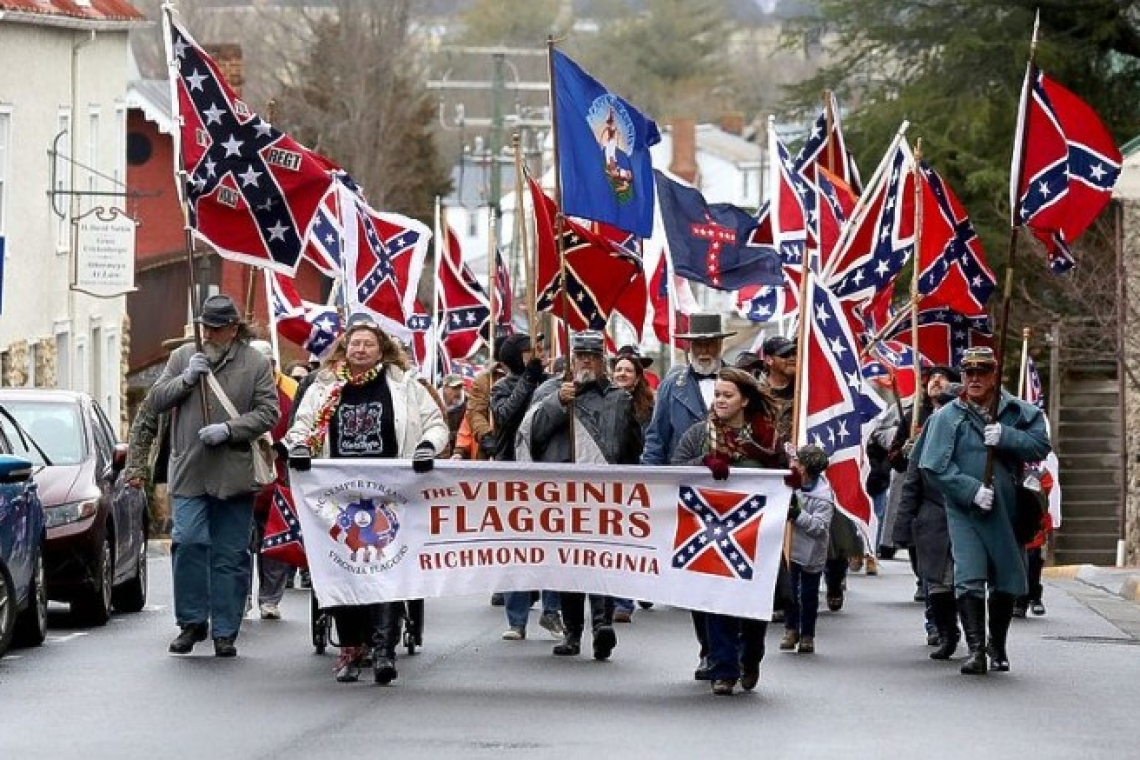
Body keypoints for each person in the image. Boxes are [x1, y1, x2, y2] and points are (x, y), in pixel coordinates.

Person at [285, 312, 448, 684]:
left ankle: (383, 652)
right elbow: (302, 427)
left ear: (381, 350)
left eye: (368, 344)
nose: (360, 349)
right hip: (337, 494)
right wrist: (298, 446)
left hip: (389, 493)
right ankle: (350, 646)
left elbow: (436, 424)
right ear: (344, 348)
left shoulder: (405, 385)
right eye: (354, 343)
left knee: (384, 569)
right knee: (343, 569)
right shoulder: (323, 386)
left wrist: (426, 447)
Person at [148, 294, 279, 658]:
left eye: (216, 327)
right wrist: (187, 379)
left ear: (233, 329)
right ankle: (191, 622)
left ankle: (225, 630)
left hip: (234, 474)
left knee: (230, 555)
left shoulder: (254, 363)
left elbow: (269, 412)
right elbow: (157, 399)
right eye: (205, 326)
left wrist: (230, 429)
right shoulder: (182, 357)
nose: (209, 332)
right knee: (187, 541)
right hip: (190, 472)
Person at [918, 347, 1051, 676]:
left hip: (1006, 509)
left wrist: (1008, 437)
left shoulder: (1017, 411)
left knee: (1006, 577)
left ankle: (998, 645)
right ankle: (976, 649)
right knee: (969, 576)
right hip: (965, 510)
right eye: (968, 372)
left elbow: (1040, 444)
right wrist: (969, 489)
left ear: (995, 374)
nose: (975, 378)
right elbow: (932, 466)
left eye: (982, 371)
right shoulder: (946, 416)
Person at [521, 330, 643, 660]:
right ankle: (573, 633)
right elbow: (531, 435)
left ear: (603, 360)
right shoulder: (550, 391)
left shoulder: (618, 397)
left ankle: (603, 625)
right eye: (581, 356)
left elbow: (633, 447)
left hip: (602, 492)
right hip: (560, 493)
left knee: (600, 558)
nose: (586, 361)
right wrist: (559, 403)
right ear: (572, 358)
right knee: (569, 564)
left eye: (593, 356)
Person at [672, 367, 787, 696]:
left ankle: (750, 657)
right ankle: (723, 668)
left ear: (745, 400)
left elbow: (784, 475)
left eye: (727, 395)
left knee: (752, 603)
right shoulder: (699, 434)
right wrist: (703, 464)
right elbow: (674, 468)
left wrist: (792, 480)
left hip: (756, 532)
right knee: (715, 597)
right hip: (711, 531)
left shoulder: (770, 438)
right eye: (717, 395)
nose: (720, 401)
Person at [642, 313, 735, 680]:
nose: (706, 350)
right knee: (698, 575)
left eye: (712, 343)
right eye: (700, 344)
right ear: (688, 346)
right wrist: (650, 481)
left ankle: (736, 648)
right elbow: (656, 438)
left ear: (721, 345)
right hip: (689, 493)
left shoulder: (740, 380)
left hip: (735, 493)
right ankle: (709, 650)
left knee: (732, 575)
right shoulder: (671, 386)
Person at [489, 333, 564, 641]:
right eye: (531, 353)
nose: (540, 356)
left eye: (541, 352)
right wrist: (527, 380)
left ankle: (552, 611)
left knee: (553, 546)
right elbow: (505, 417)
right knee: (517, 548)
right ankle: (516, 619)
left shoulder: (550, 385)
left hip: (546, 473)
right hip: (513, 472)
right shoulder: (502, 387)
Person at [894, 380, 964, 660]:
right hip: (933, 520)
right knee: (936, 584)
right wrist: (902, 525)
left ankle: (978, 640)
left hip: (967, 516)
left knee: (967, 583)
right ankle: (946, 632)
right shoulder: (929, 433)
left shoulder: (976, 433)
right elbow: (911, 482)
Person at [246, 340, 297, 621]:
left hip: (277, 479)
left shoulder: (288, 393)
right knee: (241, 545)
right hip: (244, 480)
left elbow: (300, 427)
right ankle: (241, 597)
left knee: (274, 543)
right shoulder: (240, 390)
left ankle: (270, 599)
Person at [609, 346, 657, 623]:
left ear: (638, 377)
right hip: (612, 478)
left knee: (636, 537)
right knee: (617, 538)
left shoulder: (649, 406)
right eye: (618, 369)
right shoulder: (604, 401)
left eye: (628, 370)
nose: (622, 374)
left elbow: (653, 440)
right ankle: (622, 601)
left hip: (638, 476)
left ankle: (642, 586)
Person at [779, 446, 834, 657]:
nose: (794, 464)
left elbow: (820, 528)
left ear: (806, 469)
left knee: (809, 594)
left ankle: (807, 635)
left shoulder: (823, 498)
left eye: (798, 462)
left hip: (812, 552)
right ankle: (791, 628)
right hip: (790, 548)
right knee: (790, 591)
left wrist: (797, 514)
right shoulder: (791, 486)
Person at [438, 373, 467, 458]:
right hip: (439, 449)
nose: (458, 391)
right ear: (445, 387)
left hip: (459, 451)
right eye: (454, 388)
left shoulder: (467, 403)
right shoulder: (433, 401)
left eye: (460, 387)